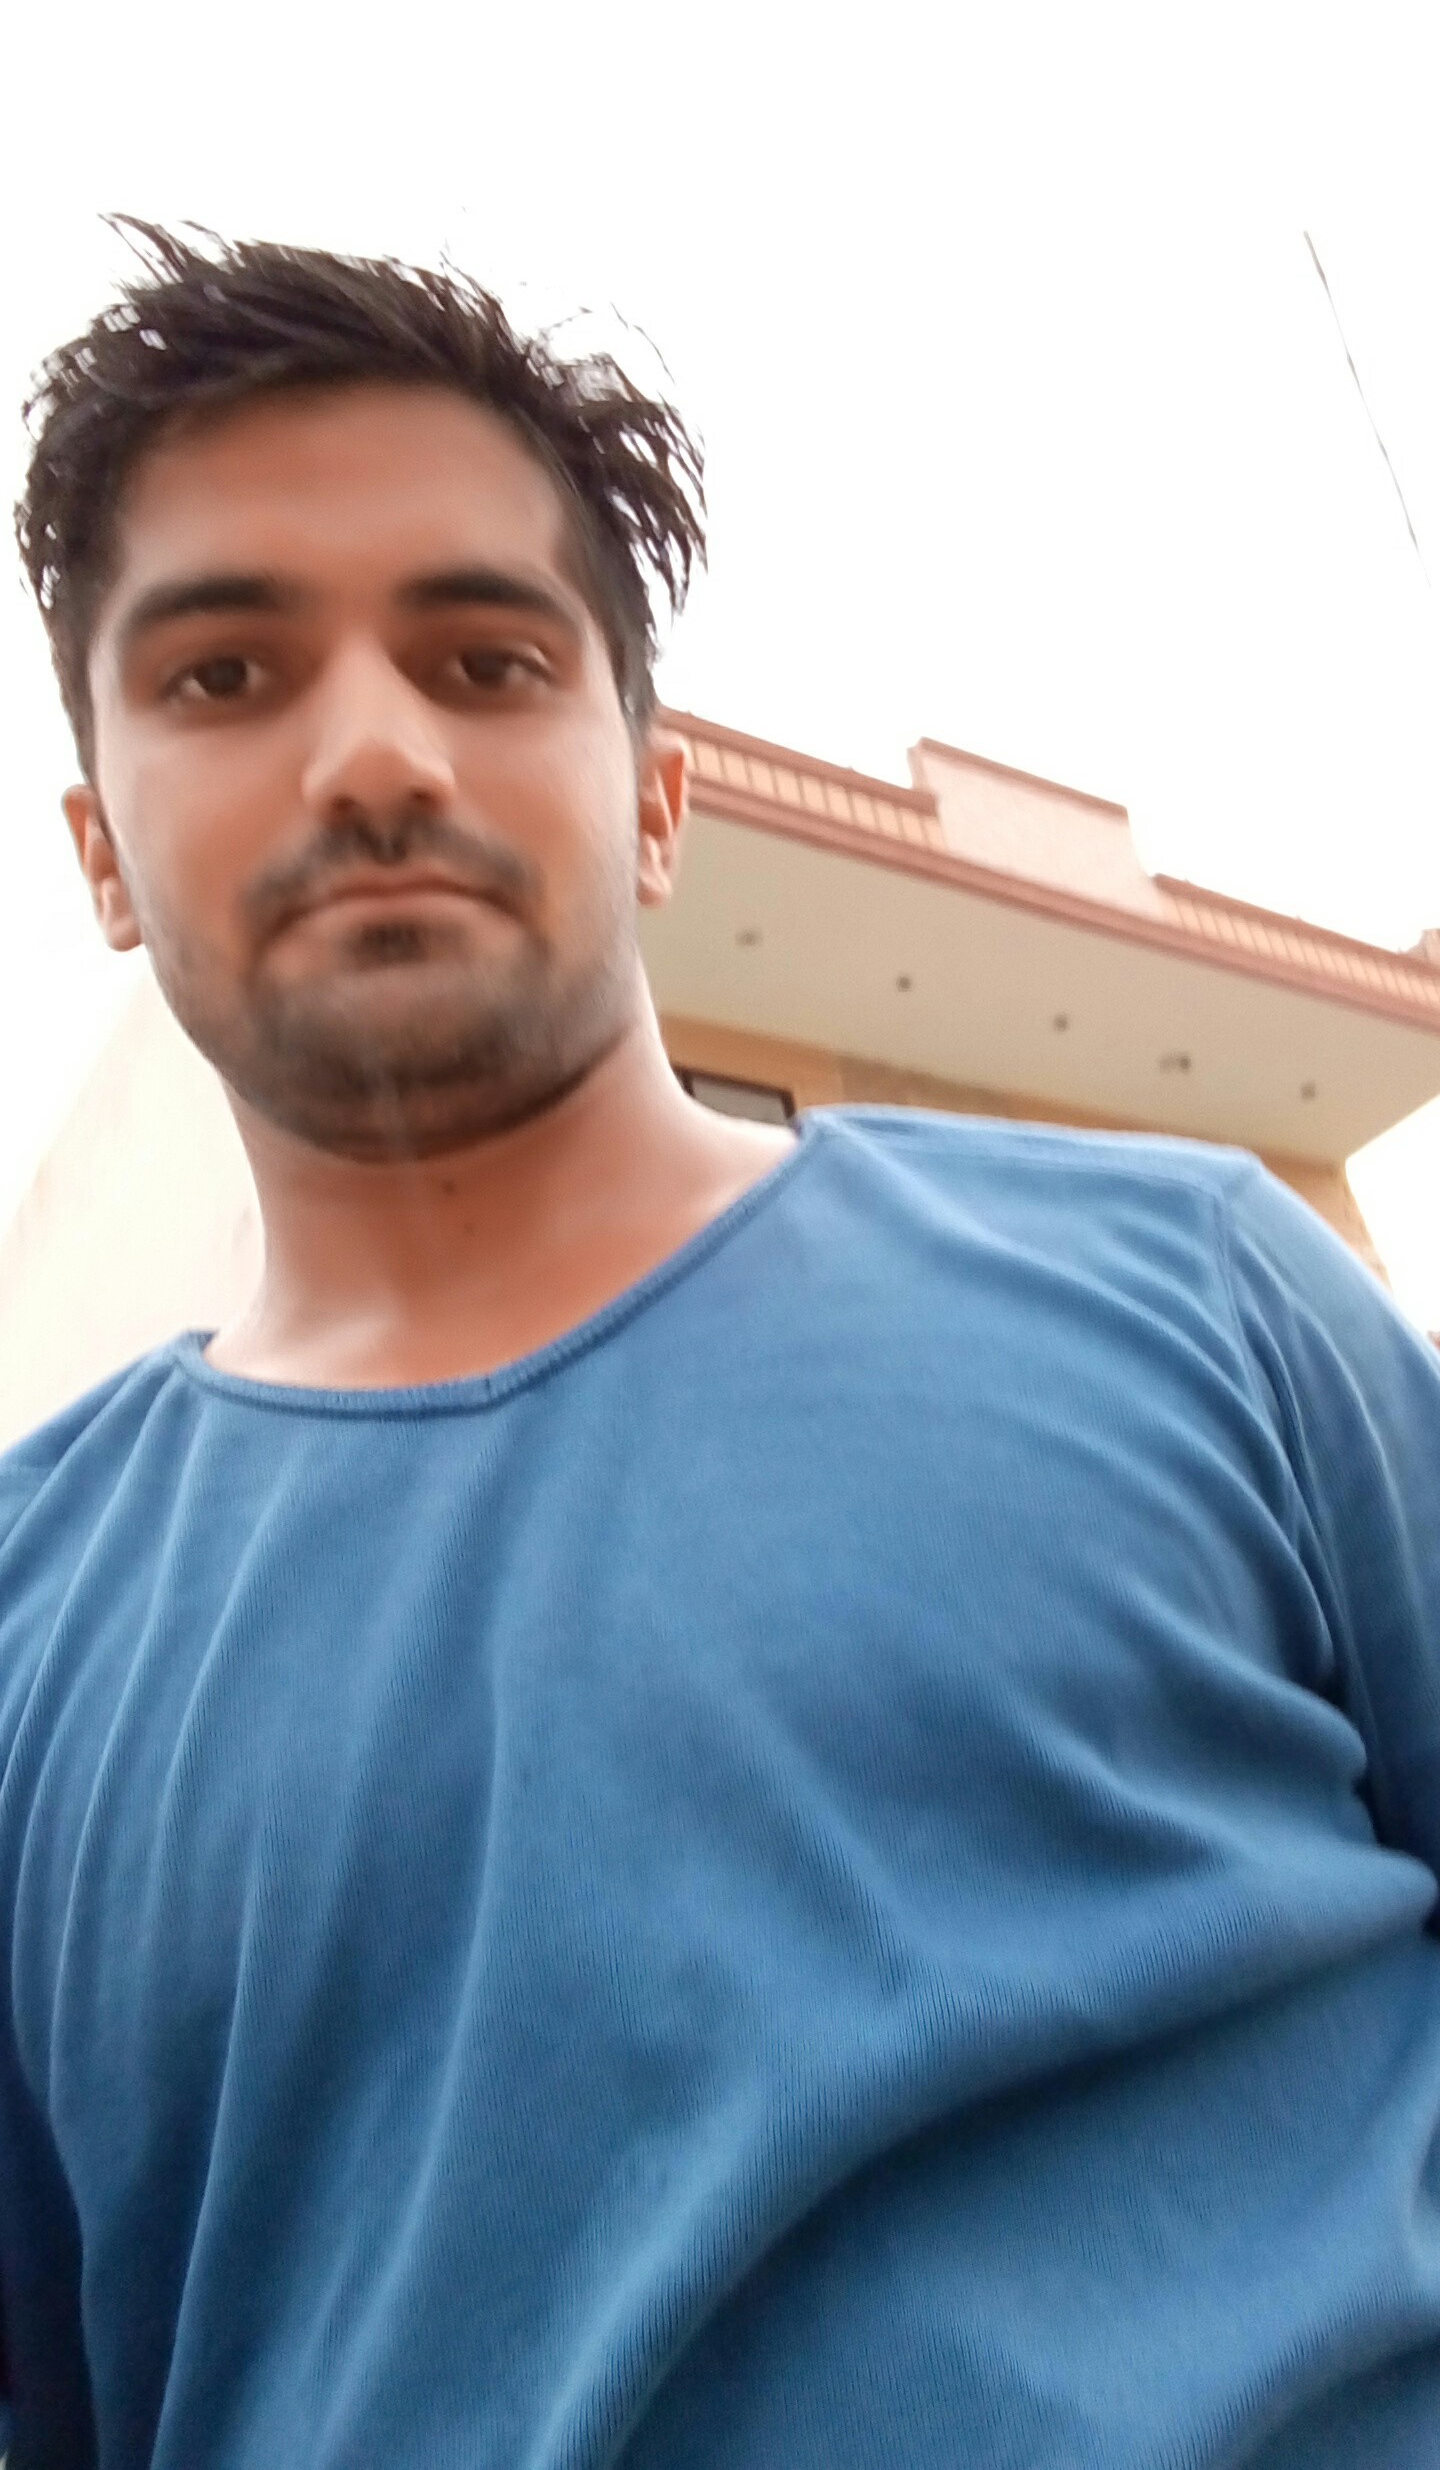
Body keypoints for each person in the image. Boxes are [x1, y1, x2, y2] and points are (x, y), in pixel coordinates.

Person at [2, 224, 1439, 2470]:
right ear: (100, 854)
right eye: (225, 675)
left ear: (657, 801)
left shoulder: (1208, 1288)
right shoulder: (25, 1628)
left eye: (486, 657)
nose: (372, 755)